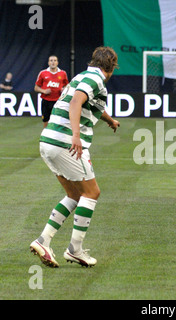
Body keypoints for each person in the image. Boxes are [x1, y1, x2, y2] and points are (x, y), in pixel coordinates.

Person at [30, 47, 120, 268]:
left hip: (48, 140)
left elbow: (87, 103)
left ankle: (43, 241)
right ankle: (75, 250)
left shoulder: (82, 75)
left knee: (74, 194)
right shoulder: (97, 78)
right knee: (92, 193)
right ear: (110, 67)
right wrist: (76, 136)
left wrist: (109, 120)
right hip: (65, 143)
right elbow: (75, 103)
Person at [35, 55, 69, 127]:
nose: (53, 62)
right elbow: (36, 88)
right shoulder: (43, 73)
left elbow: (68, 86)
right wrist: (44, 91)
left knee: (59, 122)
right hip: (46, 101)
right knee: (46, 121)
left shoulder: (63, 73)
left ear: (57, 62)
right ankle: (46, 136)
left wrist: (64, 90)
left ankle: (58, 137)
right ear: (48, 63)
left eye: (55, 60)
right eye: (51, 60)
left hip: (58, 101)